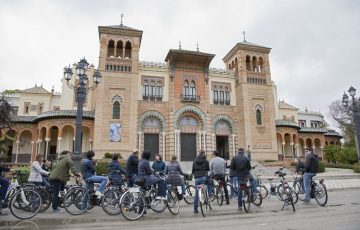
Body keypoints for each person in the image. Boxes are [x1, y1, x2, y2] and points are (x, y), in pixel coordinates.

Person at [192, 150, 210, 214]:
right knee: (205, 190)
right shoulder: (206, 161)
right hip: (203, 177)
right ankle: (206, 201)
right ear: (204, 154)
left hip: (197, 178)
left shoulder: (194, 161)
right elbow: (208, 169)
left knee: (196, 193)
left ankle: (195, 209)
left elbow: (193, 170)